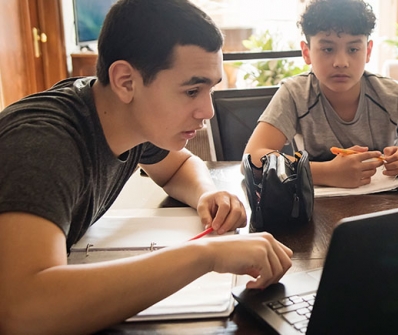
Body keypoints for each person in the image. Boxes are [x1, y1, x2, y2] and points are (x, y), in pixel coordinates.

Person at [0, 1, 292, 333]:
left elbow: (178, 166)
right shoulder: (42, 144)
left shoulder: (127, 116)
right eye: (192, 90)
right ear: (125, 81)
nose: (208, 111)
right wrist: (206, 255)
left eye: (210, 89)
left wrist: (207, 195)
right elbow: (22, 310)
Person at [243, 0, 398, 188]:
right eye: (327, 49)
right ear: (306, 52)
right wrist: (327, 172)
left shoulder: (392, 96)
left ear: (368, 51)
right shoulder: (295, 94)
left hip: (382, 209)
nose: (341, 62)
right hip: (315, 211)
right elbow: (253, 157)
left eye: (353, 49)